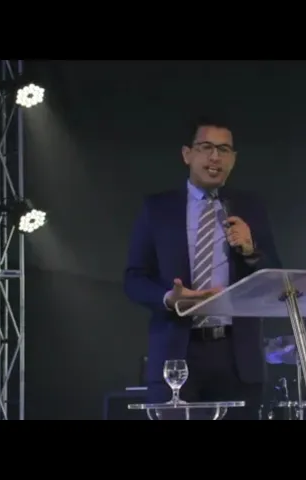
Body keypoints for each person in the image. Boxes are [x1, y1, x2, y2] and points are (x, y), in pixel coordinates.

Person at [124, 117, 282, 420]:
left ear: (233, 159)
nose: (215, 157)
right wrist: (169, 298)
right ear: (187, 154)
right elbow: (133, 278)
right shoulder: (158, 209)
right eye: (206, 147)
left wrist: (251, 251)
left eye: (224, 150)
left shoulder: (251, 208)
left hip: (237, 356)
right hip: (177, 354)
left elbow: (275, 278)